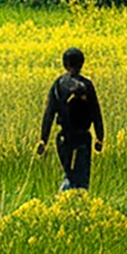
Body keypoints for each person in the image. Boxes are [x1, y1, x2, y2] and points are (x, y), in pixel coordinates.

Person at [37, 45, 104, 190]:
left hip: (64, 138)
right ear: (82, 63)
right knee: (81, 179)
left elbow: (49, 113)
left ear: (65, 64)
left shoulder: (59, 84)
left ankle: (65, 204)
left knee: (69, 174)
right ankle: (71, 204)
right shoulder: (87, 85)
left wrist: (43, 139)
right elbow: (96, 112)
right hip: (83, 138)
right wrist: (100, 137)